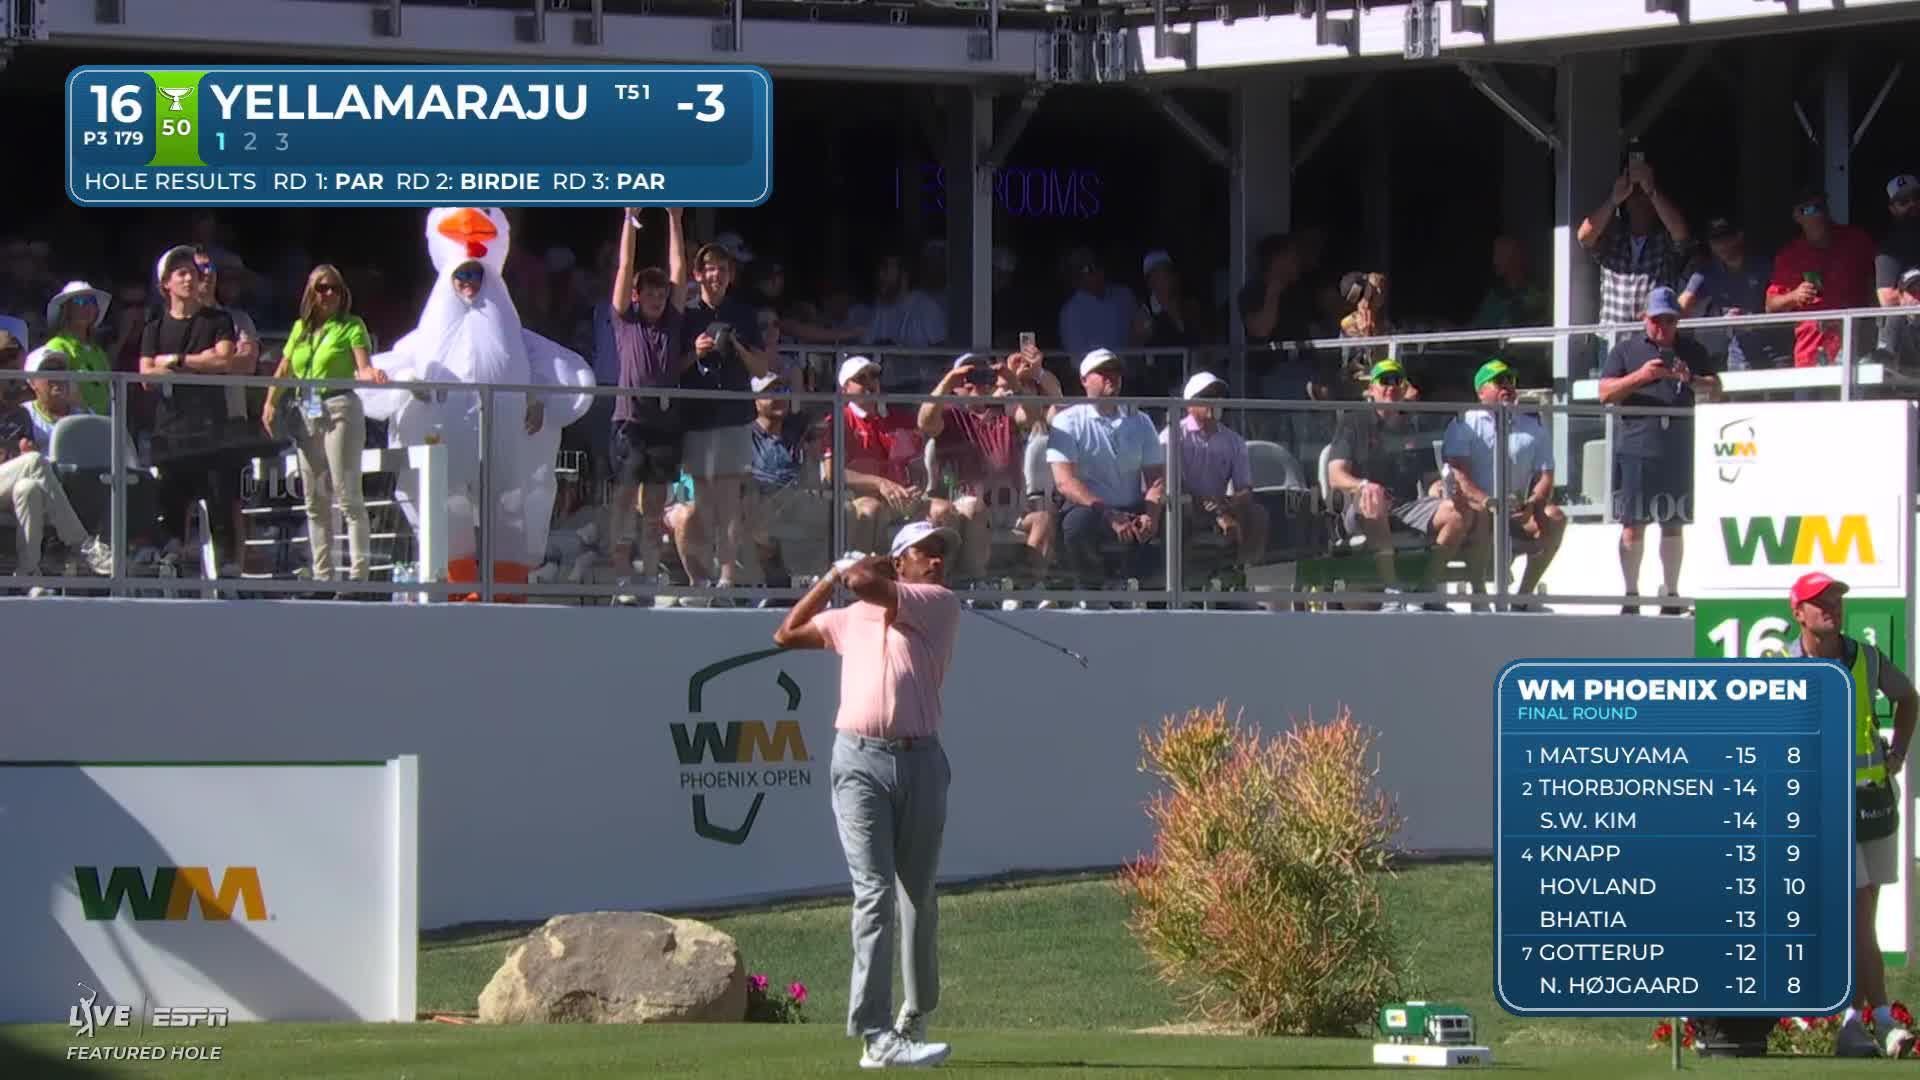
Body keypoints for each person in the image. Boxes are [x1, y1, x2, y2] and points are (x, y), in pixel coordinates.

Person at [771, 521, 961, 1071]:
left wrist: (859, 566)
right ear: (901, 562)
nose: (937, 562)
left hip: (921, 761)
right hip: (857, 761)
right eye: (925, 553)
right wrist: (829, 574)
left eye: (940, 553)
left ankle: (915, 1013)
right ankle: (875, 1034)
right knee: (874, 894)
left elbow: (864, 584)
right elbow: (787, 633)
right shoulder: (853, 617)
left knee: (917, 898)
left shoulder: (936, 603)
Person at [1780, 572, 1918, 1058]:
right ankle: (1869, 1018)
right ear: (1798, 612)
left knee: (1865, 915)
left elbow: (1908, 698)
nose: (1831, 608)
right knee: (1853, 910)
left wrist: (1897, 755)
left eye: (1836, 599)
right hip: (1821, 807)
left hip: (1872, 804)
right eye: (1820, 602)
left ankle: (1860, 1019)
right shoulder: (1784, 667)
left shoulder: (1866, 657)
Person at [1597, 286, 1719, 614]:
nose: (1663, 327)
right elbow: (1605, 393)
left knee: (1673, 521)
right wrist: (1641, 376)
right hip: (1637, 446)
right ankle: (1631, 595)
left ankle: (1671, 594)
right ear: (1644, 319)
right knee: (1633, 522)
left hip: (1678, 446)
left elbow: (1716, 388)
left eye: (1669, 320)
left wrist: (1690, 378)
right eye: (1656, 320)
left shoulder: (1691, 349)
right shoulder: (1625, 350)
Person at [261, 265, 386, 587]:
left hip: (339, 406)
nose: (327, 294)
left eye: (333, 288)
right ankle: (323, 578)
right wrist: (271, 402)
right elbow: (285, 368)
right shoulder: (301, 328)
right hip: (307, 411)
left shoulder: (351, 325)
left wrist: (372, 375)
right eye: (321, 288)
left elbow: (362, 367)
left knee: (347, 495)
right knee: (315, 499)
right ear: (310, 293)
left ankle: (358, 578)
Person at [1326, 359, 1466, 611]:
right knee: (1375, 497)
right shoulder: (1353, 421)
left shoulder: (1413, 425)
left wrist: (1441, 489)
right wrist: (1364, 486)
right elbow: (1335, 474)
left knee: (1455, 513)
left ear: (1403, 388)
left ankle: (1425, 589)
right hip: (1359, 508)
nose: (1390, 386)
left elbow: (1428, 480)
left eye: (1396, 380)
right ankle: (1394, 590)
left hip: (1406, 507)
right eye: (1384, 380)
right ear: (1371, 389)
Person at [605, 207, 690, 596]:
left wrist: (675, 218)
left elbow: (679, 274)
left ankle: (650, 574)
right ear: (637, 297)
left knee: (655, 503)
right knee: (624, 497)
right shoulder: (626, 320)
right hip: (629, 421)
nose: (657, 297)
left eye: (661, 293)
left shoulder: (673, 321)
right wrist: (629, 221)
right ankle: (620, 573)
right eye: (649, 293)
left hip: (665, 424)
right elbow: (625, 266)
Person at [1441, 359, 1566, 607]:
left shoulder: (1533, 425)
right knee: (1483, 514)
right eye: (1499, 381)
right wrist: (1488, 502)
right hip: (1477, 509)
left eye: (1511, 381)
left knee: (1555, 517)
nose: (1507, 386)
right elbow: (1460, 475)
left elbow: (1546, 475)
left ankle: (1523, 596)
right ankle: (1479, 595)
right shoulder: (1465, 423)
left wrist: (1532, 503)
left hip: (1516, 509)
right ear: (1481, 392)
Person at [41, 280, 112, 415]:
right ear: (67, 309)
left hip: (105, 424)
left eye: (92, 301)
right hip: (75, 423)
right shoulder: (56, 346)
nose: (87, 307)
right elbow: (57, 394)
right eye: (80, 301)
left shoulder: (99, 351)